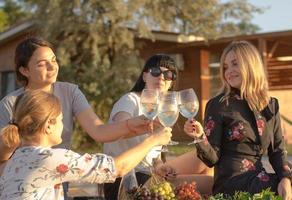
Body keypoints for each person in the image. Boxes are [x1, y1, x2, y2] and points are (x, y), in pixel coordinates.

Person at [0, 37, 153, 199]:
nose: (52, 67)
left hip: (59, 179)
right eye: (42, 63)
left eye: (53, 60)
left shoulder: (69, 92)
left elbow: (99, 131)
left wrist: (134, 125)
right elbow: (116, 168)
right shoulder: (10, 104)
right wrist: (152, 141)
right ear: (24, 70)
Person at [0, 90, 172, 200]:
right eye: (61, 119)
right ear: (48, 125)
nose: (64, 124)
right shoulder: (50, 158)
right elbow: (117, 168)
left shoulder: (15, 159)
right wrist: (154, 140)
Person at [184, 41, 292, 200]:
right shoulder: (218, 104)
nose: (229, 71)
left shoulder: (270, 105)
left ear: (251, 65)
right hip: (231, 185)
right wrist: (199, 137)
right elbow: (212, 159)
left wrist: (285, 178)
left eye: (235, 64)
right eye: (225, 67)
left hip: (259, 178)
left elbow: (277, 151)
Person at [103, 54, 179, 200]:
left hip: (146, 175)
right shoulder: (130, 100)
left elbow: (153, 155)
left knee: (203, 171)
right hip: (124, 179)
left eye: (168, 74)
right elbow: (119, 131)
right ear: (145, 76)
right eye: (156, 72)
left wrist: (159, 166)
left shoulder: (162, 110)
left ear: (171, 82)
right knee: (203, 183)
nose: (161, 77)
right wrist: (154, 137)